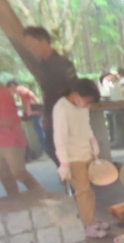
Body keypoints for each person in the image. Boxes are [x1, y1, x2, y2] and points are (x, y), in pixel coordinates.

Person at [52, 78, 107, 238]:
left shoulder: (82, 106)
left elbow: (87, 126)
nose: (88, 105)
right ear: (76, 95)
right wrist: (63, 163)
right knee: (82, 191)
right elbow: (59, 138)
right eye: (87, 101)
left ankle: (91, 219)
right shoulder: (61, 108)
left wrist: (93, 142)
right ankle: (87, 225)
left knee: (90, 191)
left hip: (86, 153)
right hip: (73, 157)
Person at [23, 26, 77, 167]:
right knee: (51, 149)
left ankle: (76, 181)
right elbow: (47, 92)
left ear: (42, 41)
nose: (30, 48)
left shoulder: (62, 64)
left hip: (65, 114)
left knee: (65, 151)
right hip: (51, 113)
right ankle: (70, 179)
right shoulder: (43, 65)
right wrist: (47, 113)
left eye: (31, 43)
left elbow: (73, 91)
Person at [0, 82, 43, 195]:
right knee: (4, 176)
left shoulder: (4, 94)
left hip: (12, 141)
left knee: (18, 173)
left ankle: (41, 196)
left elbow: (9, 121)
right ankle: (15, 202)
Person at [6, 79, 45, 155]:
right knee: (39, 131)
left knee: (39, 132)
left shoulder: (20, 90)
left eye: (9, 88)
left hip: (34, 113)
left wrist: (35, 106)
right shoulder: (21, 92)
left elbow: (30, 95)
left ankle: (44, 150)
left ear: (12, 86)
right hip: (33, 113)